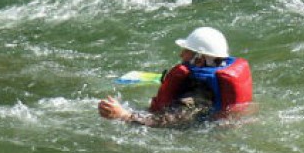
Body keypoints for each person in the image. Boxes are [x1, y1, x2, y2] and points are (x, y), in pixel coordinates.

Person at [98, 26, 253, 128]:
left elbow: (170, 120)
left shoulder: (198, 95)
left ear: (198, 59)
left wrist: (124, 115)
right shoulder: (210, 76)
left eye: (186, 51)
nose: (181, 54)